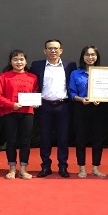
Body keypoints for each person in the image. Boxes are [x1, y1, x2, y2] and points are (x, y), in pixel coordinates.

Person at [29, 39, 77, 178]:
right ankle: (45, 166)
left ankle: (63, 166)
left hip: (63, 106)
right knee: (45, 138)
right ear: (45, 51)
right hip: (44, 106)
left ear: (61, 50)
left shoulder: (70, 66)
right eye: (50, 48)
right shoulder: (37, 65)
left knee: (63, 138)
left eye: (56, 48)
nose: (53, 51)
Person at [0, 49, 39, 180]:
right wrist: (11, 104)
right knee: (11, 141)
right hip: (9, 113)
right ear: (10, 62)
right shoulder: (3, 77)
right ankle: (12, 168)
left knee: (25, 141)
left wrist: (35, 103)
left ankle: (23, 169)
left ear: (26, 61)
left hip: (27, 113)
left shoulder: (33, 77)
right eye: (15, 59)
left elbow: (35, 93)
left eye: (21, 59)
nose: (18, 62)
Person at [68, 46, 107, 178]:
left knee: (98, 139)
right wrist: (80, 99)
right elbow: (72, 92)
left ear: (97, 57)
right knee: (80, 139)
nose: (90, 57)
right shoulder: (75, 73)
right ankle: (82, 168)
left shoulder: (104, 73)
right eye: (87, 55)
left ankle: (96, 168)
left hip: (98, 108)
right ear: (83, 57)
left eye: (93, 55)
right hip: (81, 107)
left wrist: (102, 98)